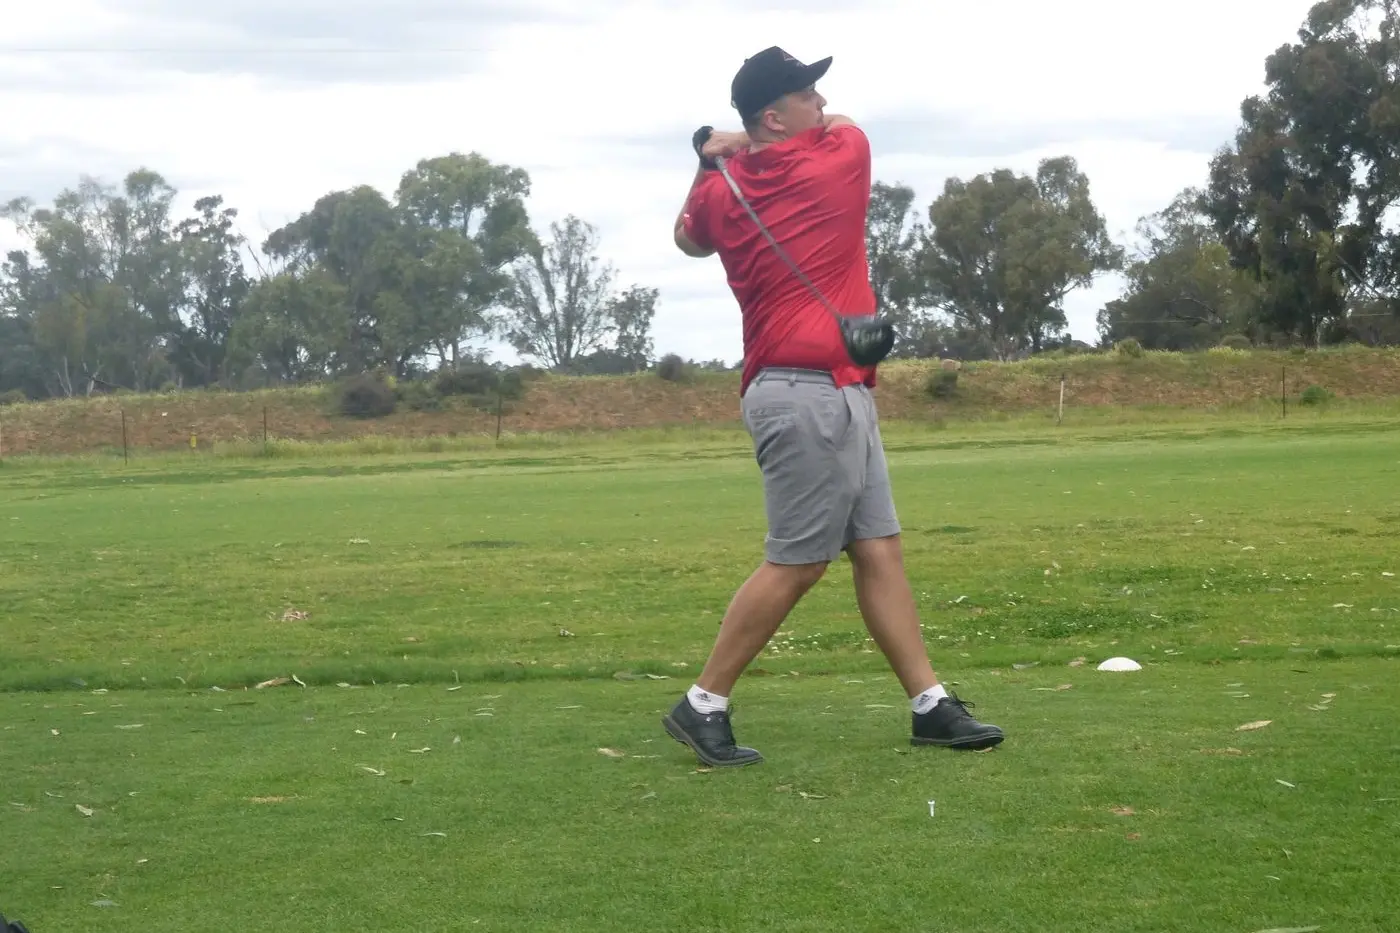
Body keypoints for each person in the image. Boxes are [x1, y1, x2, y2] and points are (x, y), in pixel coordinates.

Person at [661, 46, 1006, 768]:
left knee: (878, 546)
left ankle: (930, 704)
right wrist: (732, 143)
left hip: (829, 389)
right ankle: (702, 703)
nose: (822, 103)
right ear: (773, 115)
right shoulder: (837, 155)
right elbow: (846, 124)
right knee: (799, 561)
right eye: (805, 95)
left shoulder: (726, 190)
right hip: (805, 395)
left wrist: (712, 153)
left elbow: (688, 239)